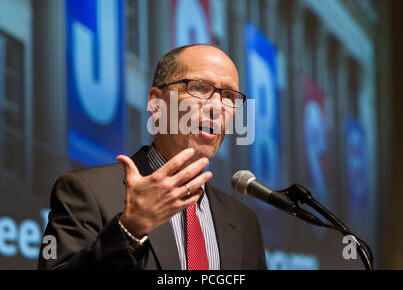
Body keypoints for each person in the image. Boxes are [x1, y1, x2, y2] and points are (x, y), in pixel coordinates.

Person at [37, 44, 266, 270]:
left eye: (229, 96)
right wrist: (130, 229)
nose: (217, 106)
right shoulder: (87, 192)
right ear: (156, 103)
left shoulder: (244, 222)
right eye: (199, 88)